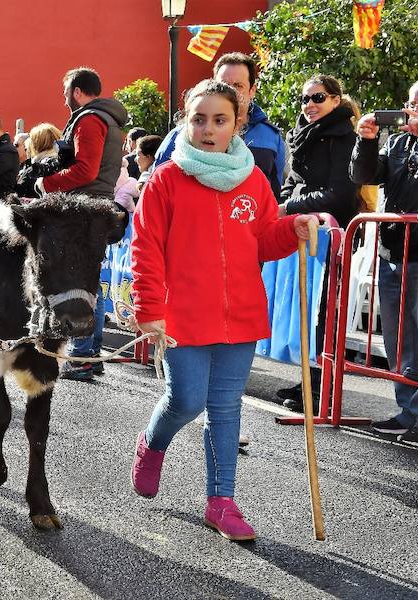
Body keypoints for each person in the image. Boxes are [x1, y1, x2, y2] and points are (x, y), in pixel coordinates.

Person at [130, 79, 319, 542]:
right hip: (183, 314)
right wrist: (149, 307)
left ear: (237, 123)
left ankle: (222, 501)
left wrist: (292, 225)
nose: (208, 129)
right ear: (185, 122)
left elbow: (265, 238)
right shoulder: (165, 180)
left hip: (240, 313)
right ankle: (152, 446)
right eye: (199, 119)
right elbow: (146, 248)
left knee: (225, 408)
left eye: (219, 120)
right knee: (187, 399)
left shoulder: (253, 179)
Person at [36, 67, 128, 381]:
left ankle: (83, 354)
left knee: (81, 283)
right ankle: (88, 353)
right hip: (96, 206)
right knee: (89, 284)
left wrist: (47, 184)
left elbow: (86, 170)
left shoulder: (89, 119)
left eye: (66, 94)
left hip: (83, 208)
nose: (64, 102)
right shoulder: (108, 119)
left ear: (76, 91)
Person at [275, 75, 361, 411]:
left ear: (336, 100)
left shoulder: (344, 138)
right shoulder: (302, 135)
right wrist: (281, 206)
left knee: (325, 314)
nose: (309, 104)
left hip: (331, 235)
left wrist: (290, 206)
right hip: (305, 230)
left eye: (318, 97)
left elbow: (340, 194)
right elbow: (292, 181)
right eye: (305, 98)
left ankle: (323, 389)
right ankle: (309, 381)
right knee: (307, 312)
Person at [351, 80, 418, 447]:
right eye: (410, 102)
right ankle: (409, 410)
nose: (412, 110)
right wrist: (365, 140)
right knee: (397, 337)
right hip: (394, 250)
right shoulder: (398, 143)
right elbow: (363, 176)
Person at [153, 53, 286, 201]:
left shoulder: (271, 137)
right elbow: (156, 194)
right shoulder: (180, 137)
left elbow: (273, 197)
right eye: (224, 85)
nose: (231, 91)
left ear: (252, 90)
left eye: (238, 85)